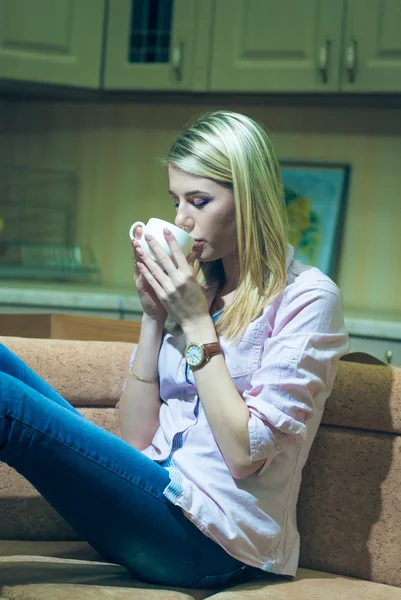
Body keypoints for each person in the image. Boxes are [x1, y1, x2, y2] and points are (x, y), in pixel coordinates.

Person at [0, 111, 350, 590]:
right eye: (177, 201)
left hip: (209, 542)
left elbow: (245, 455)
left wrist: (193, 321)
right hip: (148, 501)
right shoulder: (200, 289)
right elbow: (138, 440)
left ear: (248, 200)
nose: (182, 219)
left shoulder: (308, 298)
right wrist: (153, 315)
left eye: (199, 200)